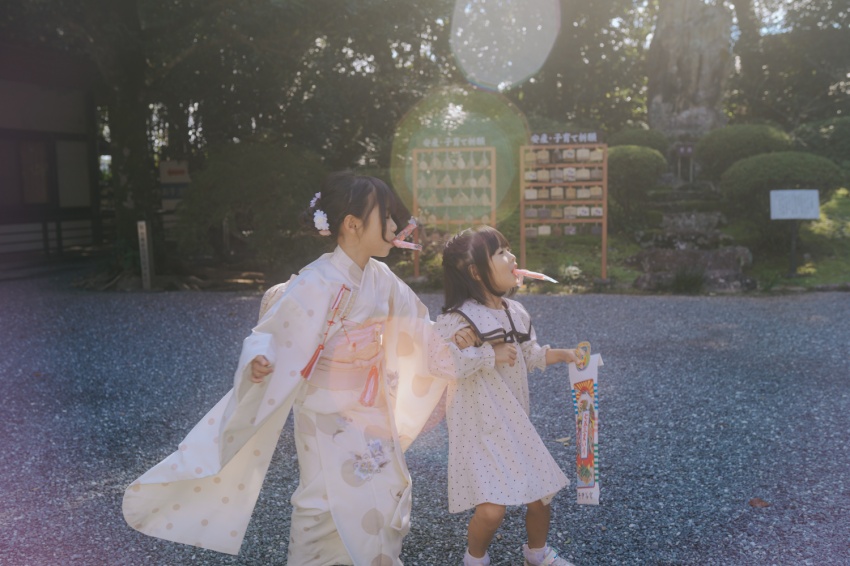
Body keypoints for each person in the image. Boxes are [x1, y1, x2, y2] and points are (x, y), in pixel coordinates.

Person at [123, 171, 469, 565]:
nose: (394, 226)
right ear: (352, 225)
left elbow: (417, 326)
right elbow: (272, 331)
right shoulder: (316, 281)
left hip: (372, 408)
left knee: (383, 489)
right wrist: (261, 357)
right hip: (325, 414)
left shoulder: (381, 279)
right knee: (322, 499)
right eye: (386, 216)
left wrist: (446, 340)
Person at [429, 226, 581, 566]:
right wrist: (487, 355)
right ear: (475, 272)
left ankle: (536, 553)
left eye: (509, 250)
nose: (512, 258)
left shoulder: (516, 311)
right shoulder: (458, 319)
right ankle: (475, 559)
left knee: (541, 496)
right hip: (479, 429)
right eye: (501, 253)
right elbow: (438, 363)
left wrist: (564, 354)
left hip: (515, 423)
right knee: (491, 510)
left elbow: (530, 355)